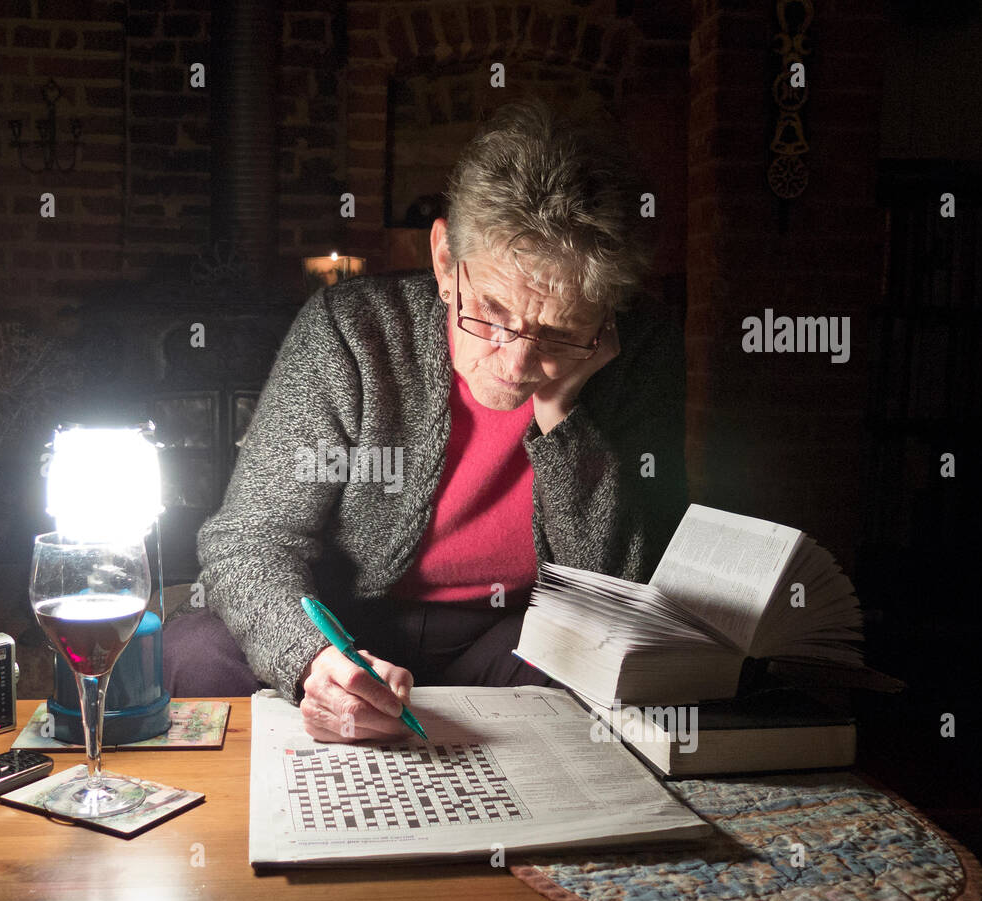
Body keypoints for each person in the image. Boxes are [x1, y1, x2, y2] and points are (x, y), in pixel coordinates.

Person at [164, 98, 686, 744]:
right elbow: (248, 541)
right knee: (193, 649)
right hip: (343, 619)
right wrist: (314, 664)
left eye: (559, 331)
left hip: (507, 636)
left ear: (605, 316)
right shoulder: (352, 331)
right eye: (492, 311)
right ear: (444, 262)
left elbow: (619, 597)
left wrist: (563, 415)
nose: (519, 362)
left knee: (604, 680)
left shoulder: (636, 354)